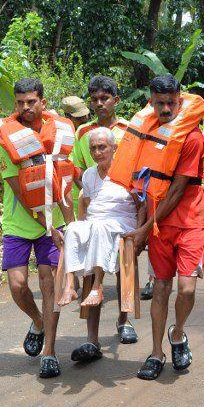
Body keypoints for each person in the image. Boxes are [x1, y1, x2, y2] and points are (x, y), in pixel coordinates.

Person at [110, 74, 204, 381]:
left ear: (180, 100)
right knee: (161, 288)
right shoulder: (148, 135)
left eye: (171, 103)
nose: (166, 109)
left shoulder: (192, 138)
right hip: (158, 228)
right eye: (160, 103)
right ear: (151, 102)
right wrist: (140, 226)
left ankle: (177, 333)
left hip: (189, 221)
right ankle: (156, 353)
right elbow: (142, 187)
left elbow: (177, 190)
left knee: (187, 287)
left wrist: (143, 229)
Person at [0, 78, 75, 379]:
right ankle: (38, 321)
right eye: (20, 102)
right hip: (21, 224)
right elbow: (23, 195)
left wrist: (70, 224)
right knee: (18, 285)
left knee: (49, 284)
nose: (26, 107)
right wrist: (47, 225)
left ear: (43, 102)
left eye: (31, 102)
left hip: (55, 225)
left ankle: (49, 352)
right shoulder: (5, 142)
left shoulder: (61, 134)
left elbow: (65, 182)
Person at [70, 76, 147, 339]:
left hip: (125, 206)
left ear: (116, 100)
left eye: (105, 98)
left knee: (126, 266)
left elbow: (138, 171)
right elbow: (79, 170)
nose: (100, 103)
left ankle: (124, 322)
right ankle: (91, 337)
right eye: (95, 99)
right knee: (92, 266)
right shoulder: (82, 132)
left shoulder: (129, 131)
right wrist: (96, 197)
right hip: (95, 205)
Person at [58, 128, 144, 362]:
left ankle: (104, 296)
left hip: (121, 221)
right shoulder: (88, 174)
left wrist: (140, 234)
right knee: (74, 229)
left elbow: (142, 204)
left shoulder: (129, 171)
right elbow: (84, 204)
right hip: (97, 222)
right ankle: (70, 287)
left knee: (98, 228)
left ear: (114, 148)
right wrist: (79, 223)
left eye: (102, 147)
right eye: (93, 147)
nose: (97, 152)